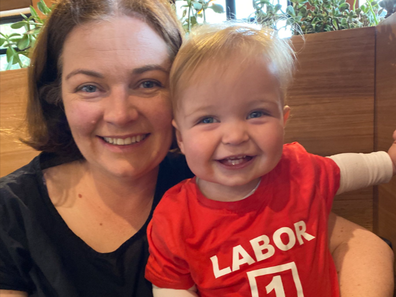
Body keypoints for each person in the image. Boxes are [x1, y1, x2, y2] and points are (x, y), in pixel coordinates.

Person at [0, 0, 393, 296]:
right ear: (56, 96)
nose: (120, 114)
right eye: (89, 87)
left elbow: (355, 244)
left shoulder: (223, 171)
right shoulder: (12, 212)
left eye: (148, 82)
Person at [145, 23, 396, 297]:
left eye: (256, 114)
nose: (235, 136)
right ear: (180, 137)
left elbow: (344, 169)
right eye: (208, 119)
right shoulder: (174, 218)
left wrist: (389, 161)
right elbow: (172, 287)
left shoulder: (298, 169)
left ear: (283, 120)